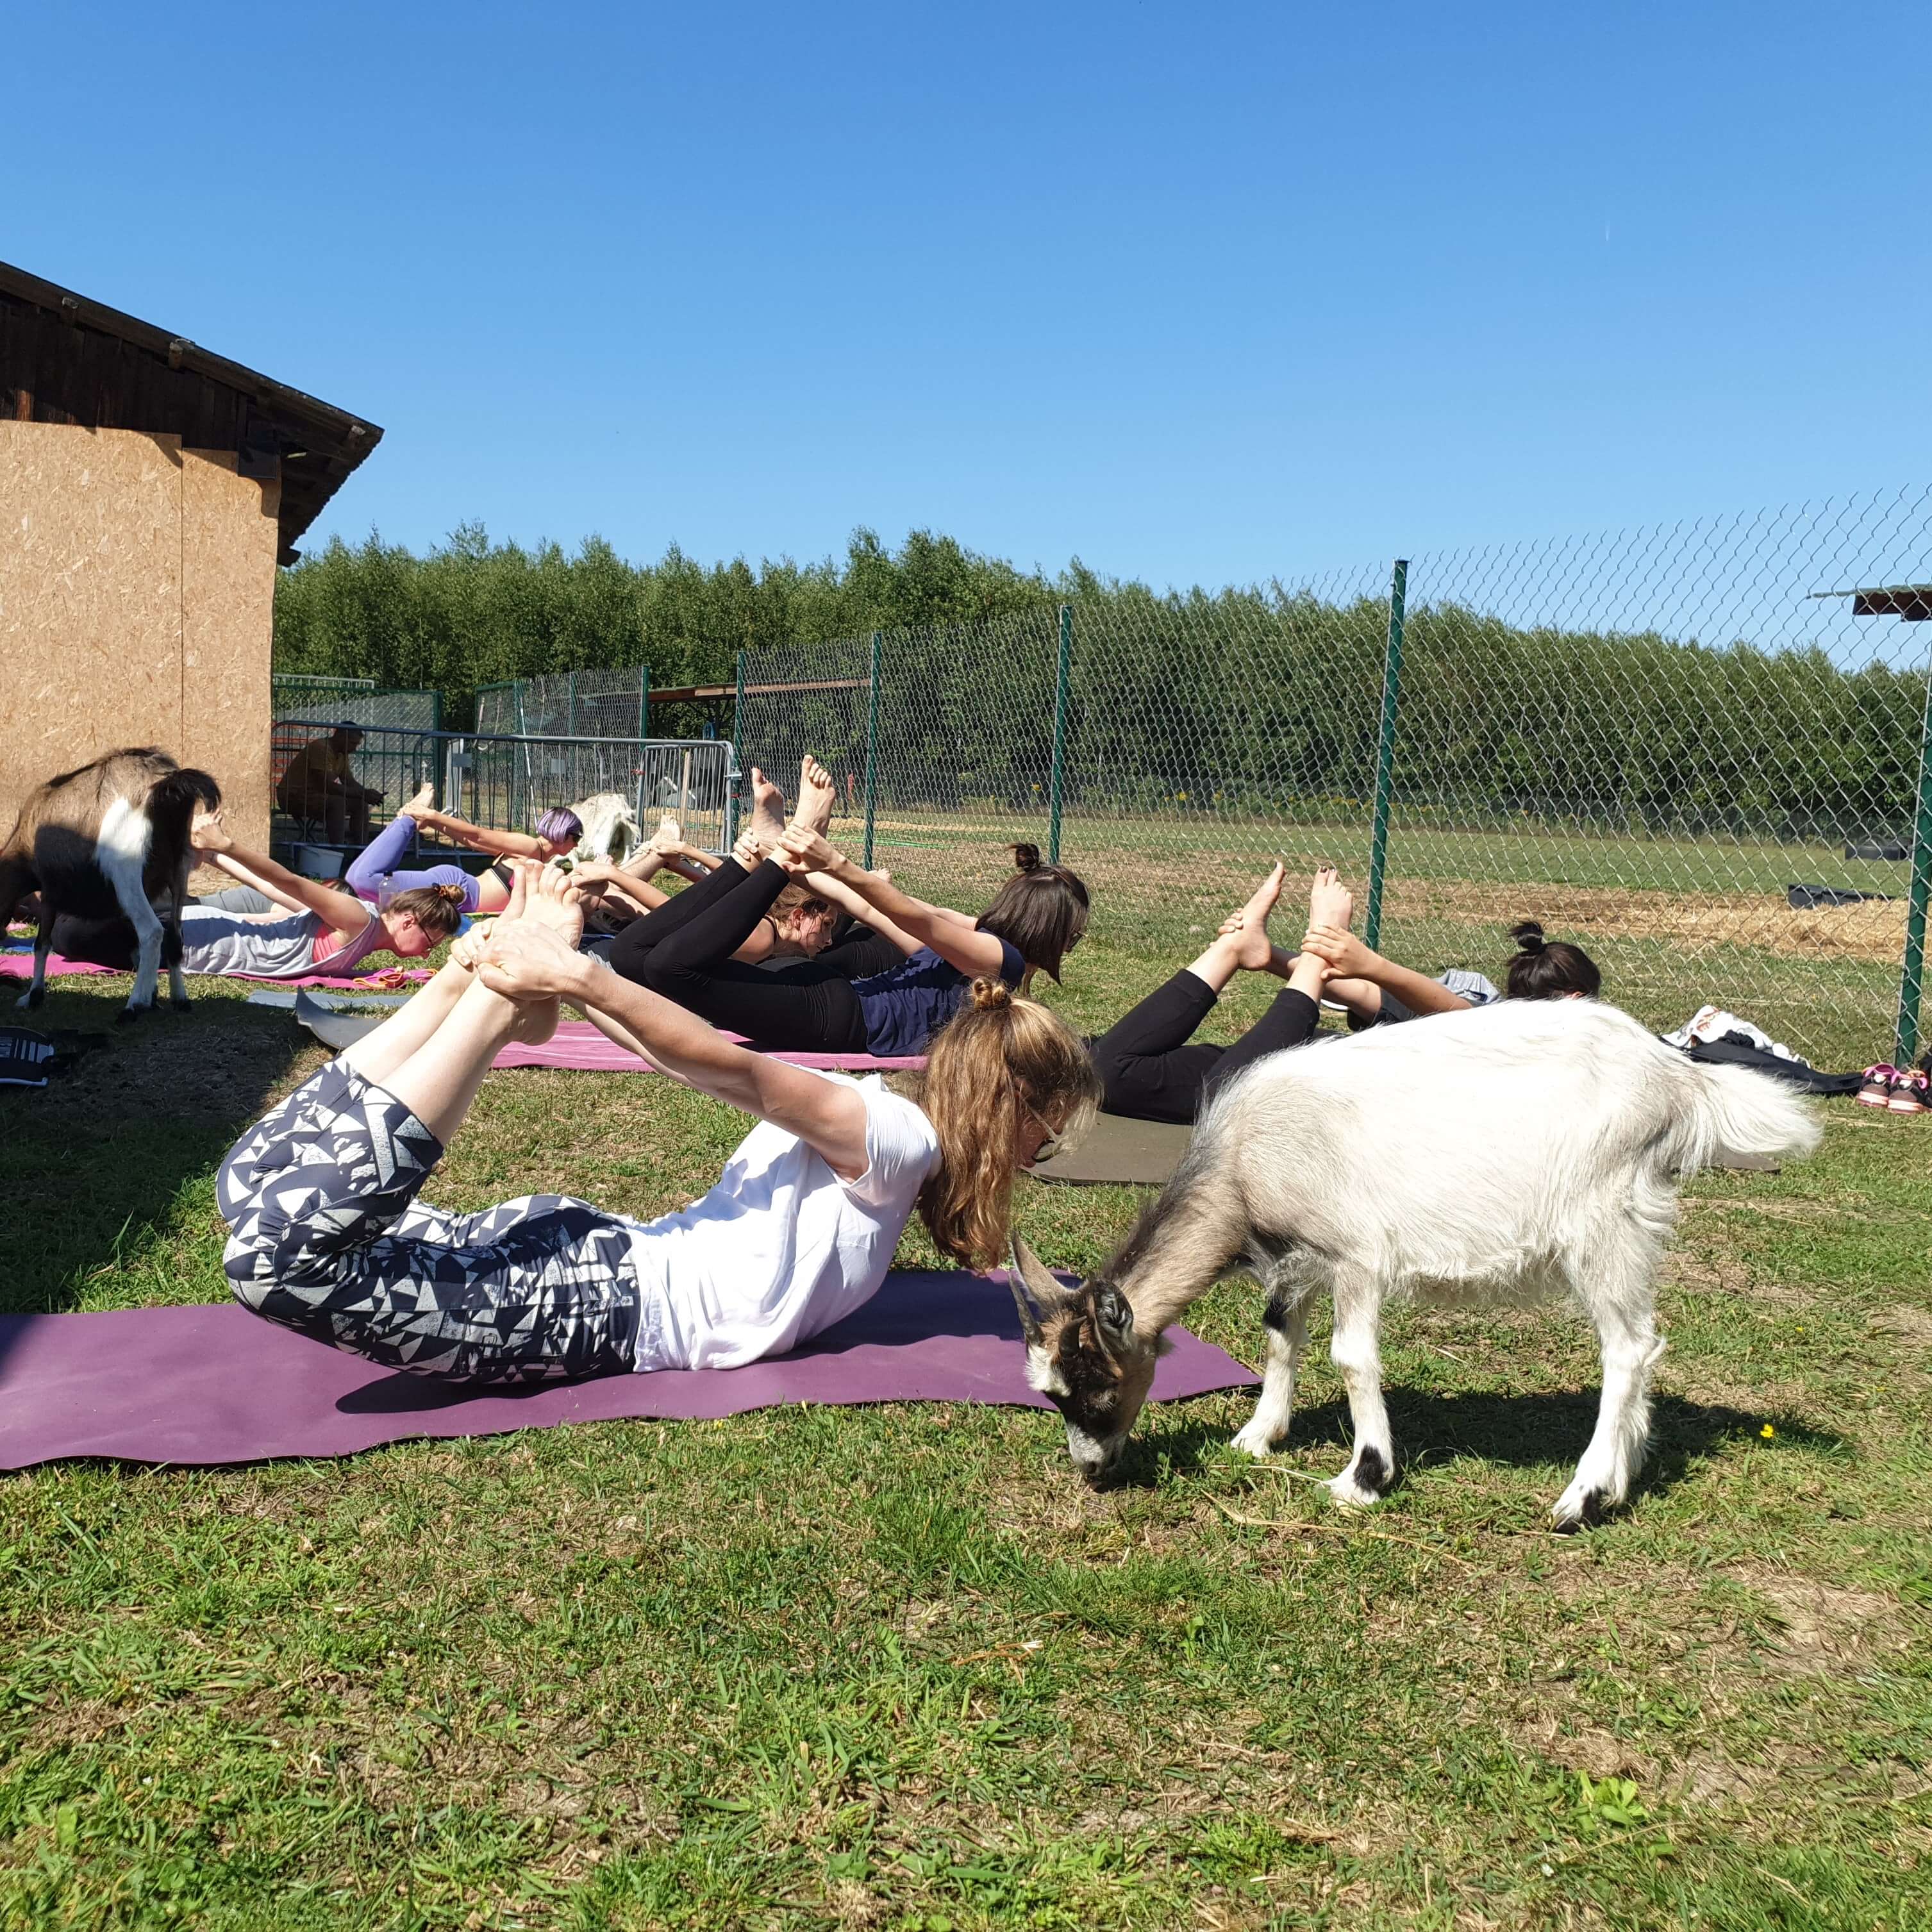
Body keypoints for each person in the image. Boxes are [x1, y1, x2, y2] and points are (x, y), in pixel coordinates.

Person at [215, 863, 1101, 1383]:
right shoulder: (893, 1137)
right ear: (1011, 1105)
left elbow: (708, 1065)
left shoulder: (898, 1152)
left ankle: (461, 980)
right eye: (1046, 1130)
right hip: (594, 1301)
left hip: (583, 1263)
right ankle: (481, 1001)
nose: (1041, 1154)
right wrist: (576, 979)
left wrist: (572, 981)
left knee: (246, 1191)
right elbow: (733, 1070)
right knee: (278, 1261)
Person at [610, 758, 1092, 1058]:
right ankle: (768, 851)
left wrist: (827, 862)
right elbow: (886, 911)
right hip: (830, 1007)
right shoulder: (990, 954)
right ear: (1057, 935)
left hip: (830, 1007)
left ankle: (764, 853)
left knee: (646, 959)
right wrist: (807, 861)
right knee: (647, 960)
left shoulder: (994, 964)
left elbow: (902, 913)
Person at [51, 813, 463, 980]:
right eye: (431, 943)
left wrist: (214, 858)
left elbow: (272, 895)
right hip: (194, 945)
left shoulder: (365, 938)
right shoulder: (358, 920)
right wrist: (226, 847)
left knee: (67, 927)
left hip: (194, 941)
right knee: (67, 935)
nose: (428, 954)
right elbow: (288, 882)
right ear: (409, 921)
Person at [1090, 865, 1341, 1124]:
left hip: (1341, 1066)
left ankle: (1244, 950)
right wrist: (1273, 957)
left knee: (1220, 1096)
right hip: (1320, 1055)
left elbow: (1371, 998)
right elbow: (1369, 998)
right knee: (1092, 1069)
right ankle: (1236, 948)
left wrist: (1319, 952)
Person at [1301, 916, 1597, 1025]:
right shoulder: (1488, 1025)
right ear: (1576, 999)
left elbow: (1366, 994)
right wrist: (1373, 967)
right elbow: (1455, 1011)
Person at [276, 725, 385, 844]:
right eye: (353, 743)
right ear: (341, 737)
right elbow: (328, 786)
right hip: (292, 796)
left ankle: (360, 852)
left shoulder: (341, 754)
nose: (354, 749)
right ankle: (338, 850)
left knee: (360, 804)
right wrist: (364, 793)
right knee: (337, 802)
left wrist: (368, 795)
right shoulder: (321, 748)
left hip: (313, 795)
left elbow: (349, 781)